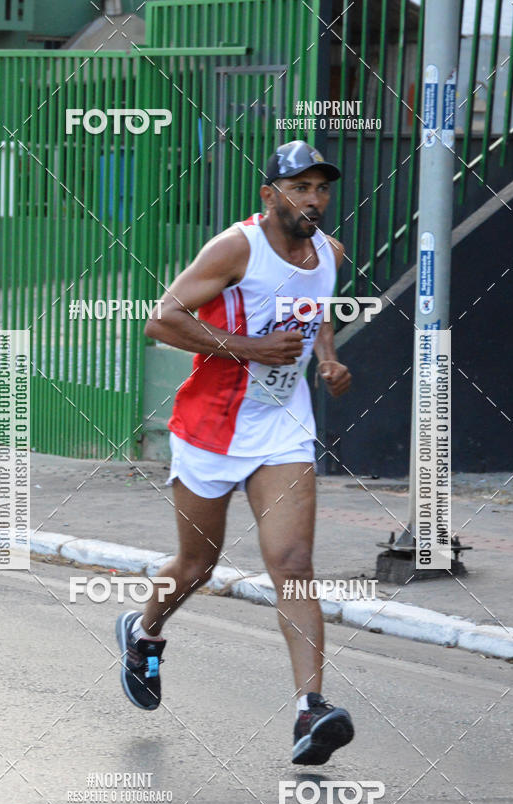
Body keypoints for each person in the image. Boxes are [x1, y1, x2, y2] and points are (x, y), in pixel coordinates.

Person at [116, 140, 355, 765]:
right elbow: (162, 320)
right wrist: (248, 348)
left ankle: (311, 710)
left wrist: (327, 360)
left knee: (294, 562)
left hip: (282, 429)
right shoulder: (235, 248)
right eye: (299, 187)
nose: (313, 199)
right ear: (269, 194)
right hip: (211, 428)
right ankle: (144, 635)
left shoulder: (329, 252)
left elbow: (318, 312)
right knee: (197, 563)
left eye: (321, 188)